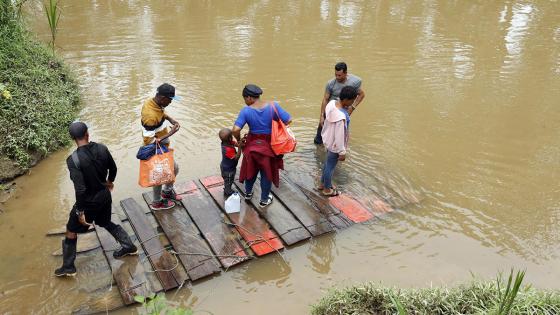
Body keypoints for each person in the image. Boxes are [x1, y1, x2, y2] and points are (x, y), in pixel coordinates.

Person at [55, 122, 137, 277]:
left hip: (88, 202)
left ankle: (68, 267)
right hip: (104, 196)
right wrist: (109, 182)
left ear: (73, 138)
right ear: (87, 134)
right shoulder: (102, 148)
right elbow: (113, 169)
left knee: (71, 230)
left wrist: (80, 212)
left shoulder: (73, 160)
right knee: (105, 222)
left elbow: (80, 189)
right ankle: (129, 246)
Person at [232, 84, 292, 208]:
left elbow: (235, 129)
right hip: (269, 146)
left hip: (252, 145)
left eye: (244, 99)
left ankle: (248, 194)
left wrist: (238, 142)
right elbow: (288, 120)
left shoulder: (246, 111)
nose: (245, 102)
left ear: (249, 97)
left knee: (251, 170)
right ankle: (264, 200)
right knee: (266, 173)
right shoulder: (273, 106)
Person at [141, 83, 182, 210]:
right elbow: (149, 141)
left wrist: (171, 120)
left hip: (162, 144)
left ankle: (167, 192)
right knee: (159, 175)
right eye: (170, 100)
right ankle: (157, 202)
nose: (171, 102)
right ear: (163, 98)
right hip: (155, 148)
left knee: (174, 168)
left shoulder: (154, 103)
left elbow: (162, 112)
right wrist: (171, 132)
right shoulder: (150, 116)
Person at [319, 86, 358, 196]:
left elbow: (326, 116)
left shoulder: (331, 103)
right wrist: (342, 152)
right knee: (330, 167)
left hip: (328, 139)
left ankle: (322, 184)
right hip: (335, 144)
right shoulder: (341, 117)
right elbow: (340, 135)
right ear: (346, 100)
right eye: (352, 100)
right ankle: (327, 189)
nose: (352, 103)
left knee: (327, 164)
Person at [314, 62, 365, 144]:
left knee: (339, 134)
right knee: (319, 137)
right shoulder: (330, 84)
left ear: (346, 73)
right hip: (330, 110)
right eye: (336, 75)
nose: (337, 77)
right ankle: (319, 148)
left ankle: (338, 150)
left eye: (339, 75)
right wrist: (322, 116)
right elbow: (325, 99)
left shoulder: (354, 82)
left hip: (343, 112)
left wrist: (352, 108)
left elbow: (361, 94)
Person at [219, 128, 243, 197]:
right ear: (230, 138)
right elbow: (237, 157)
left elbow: (234, 143)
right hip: (228, 170)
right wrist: (240, 148)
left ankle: (227, 187)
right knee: (229, 180)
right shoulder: (227, 150)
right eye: (231, 137)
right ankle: (228, 192)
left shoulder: (225, 143)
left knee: (227, 181)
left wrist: (239, 143)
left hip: (225, 166)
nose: (232, 138)